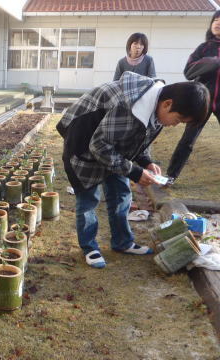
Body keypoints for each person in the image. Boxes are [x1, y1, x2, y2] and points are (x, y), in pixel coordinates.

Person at [56, 72, 209, 269]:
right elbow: (99, 146)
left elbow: (140, 136)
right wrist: (135, 172)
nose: (174, 125)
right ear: (167, 104)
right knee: (88, 200)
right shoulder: (128, 107)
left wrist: (145, 161)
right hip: (82, 145)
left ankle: (122, 242)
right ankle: (89, 247)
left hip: (114, 149)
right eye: (178, 120)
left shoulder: (156, 106)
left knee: (121, 194)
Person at [166, 10, 220, 184]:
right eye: (215, 20)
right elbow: (188, 71)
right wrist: (213, 61)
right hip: (202, 100)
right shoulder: (203, 48)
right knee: (188, 139)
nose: (217, 23)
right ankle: (171, 176)